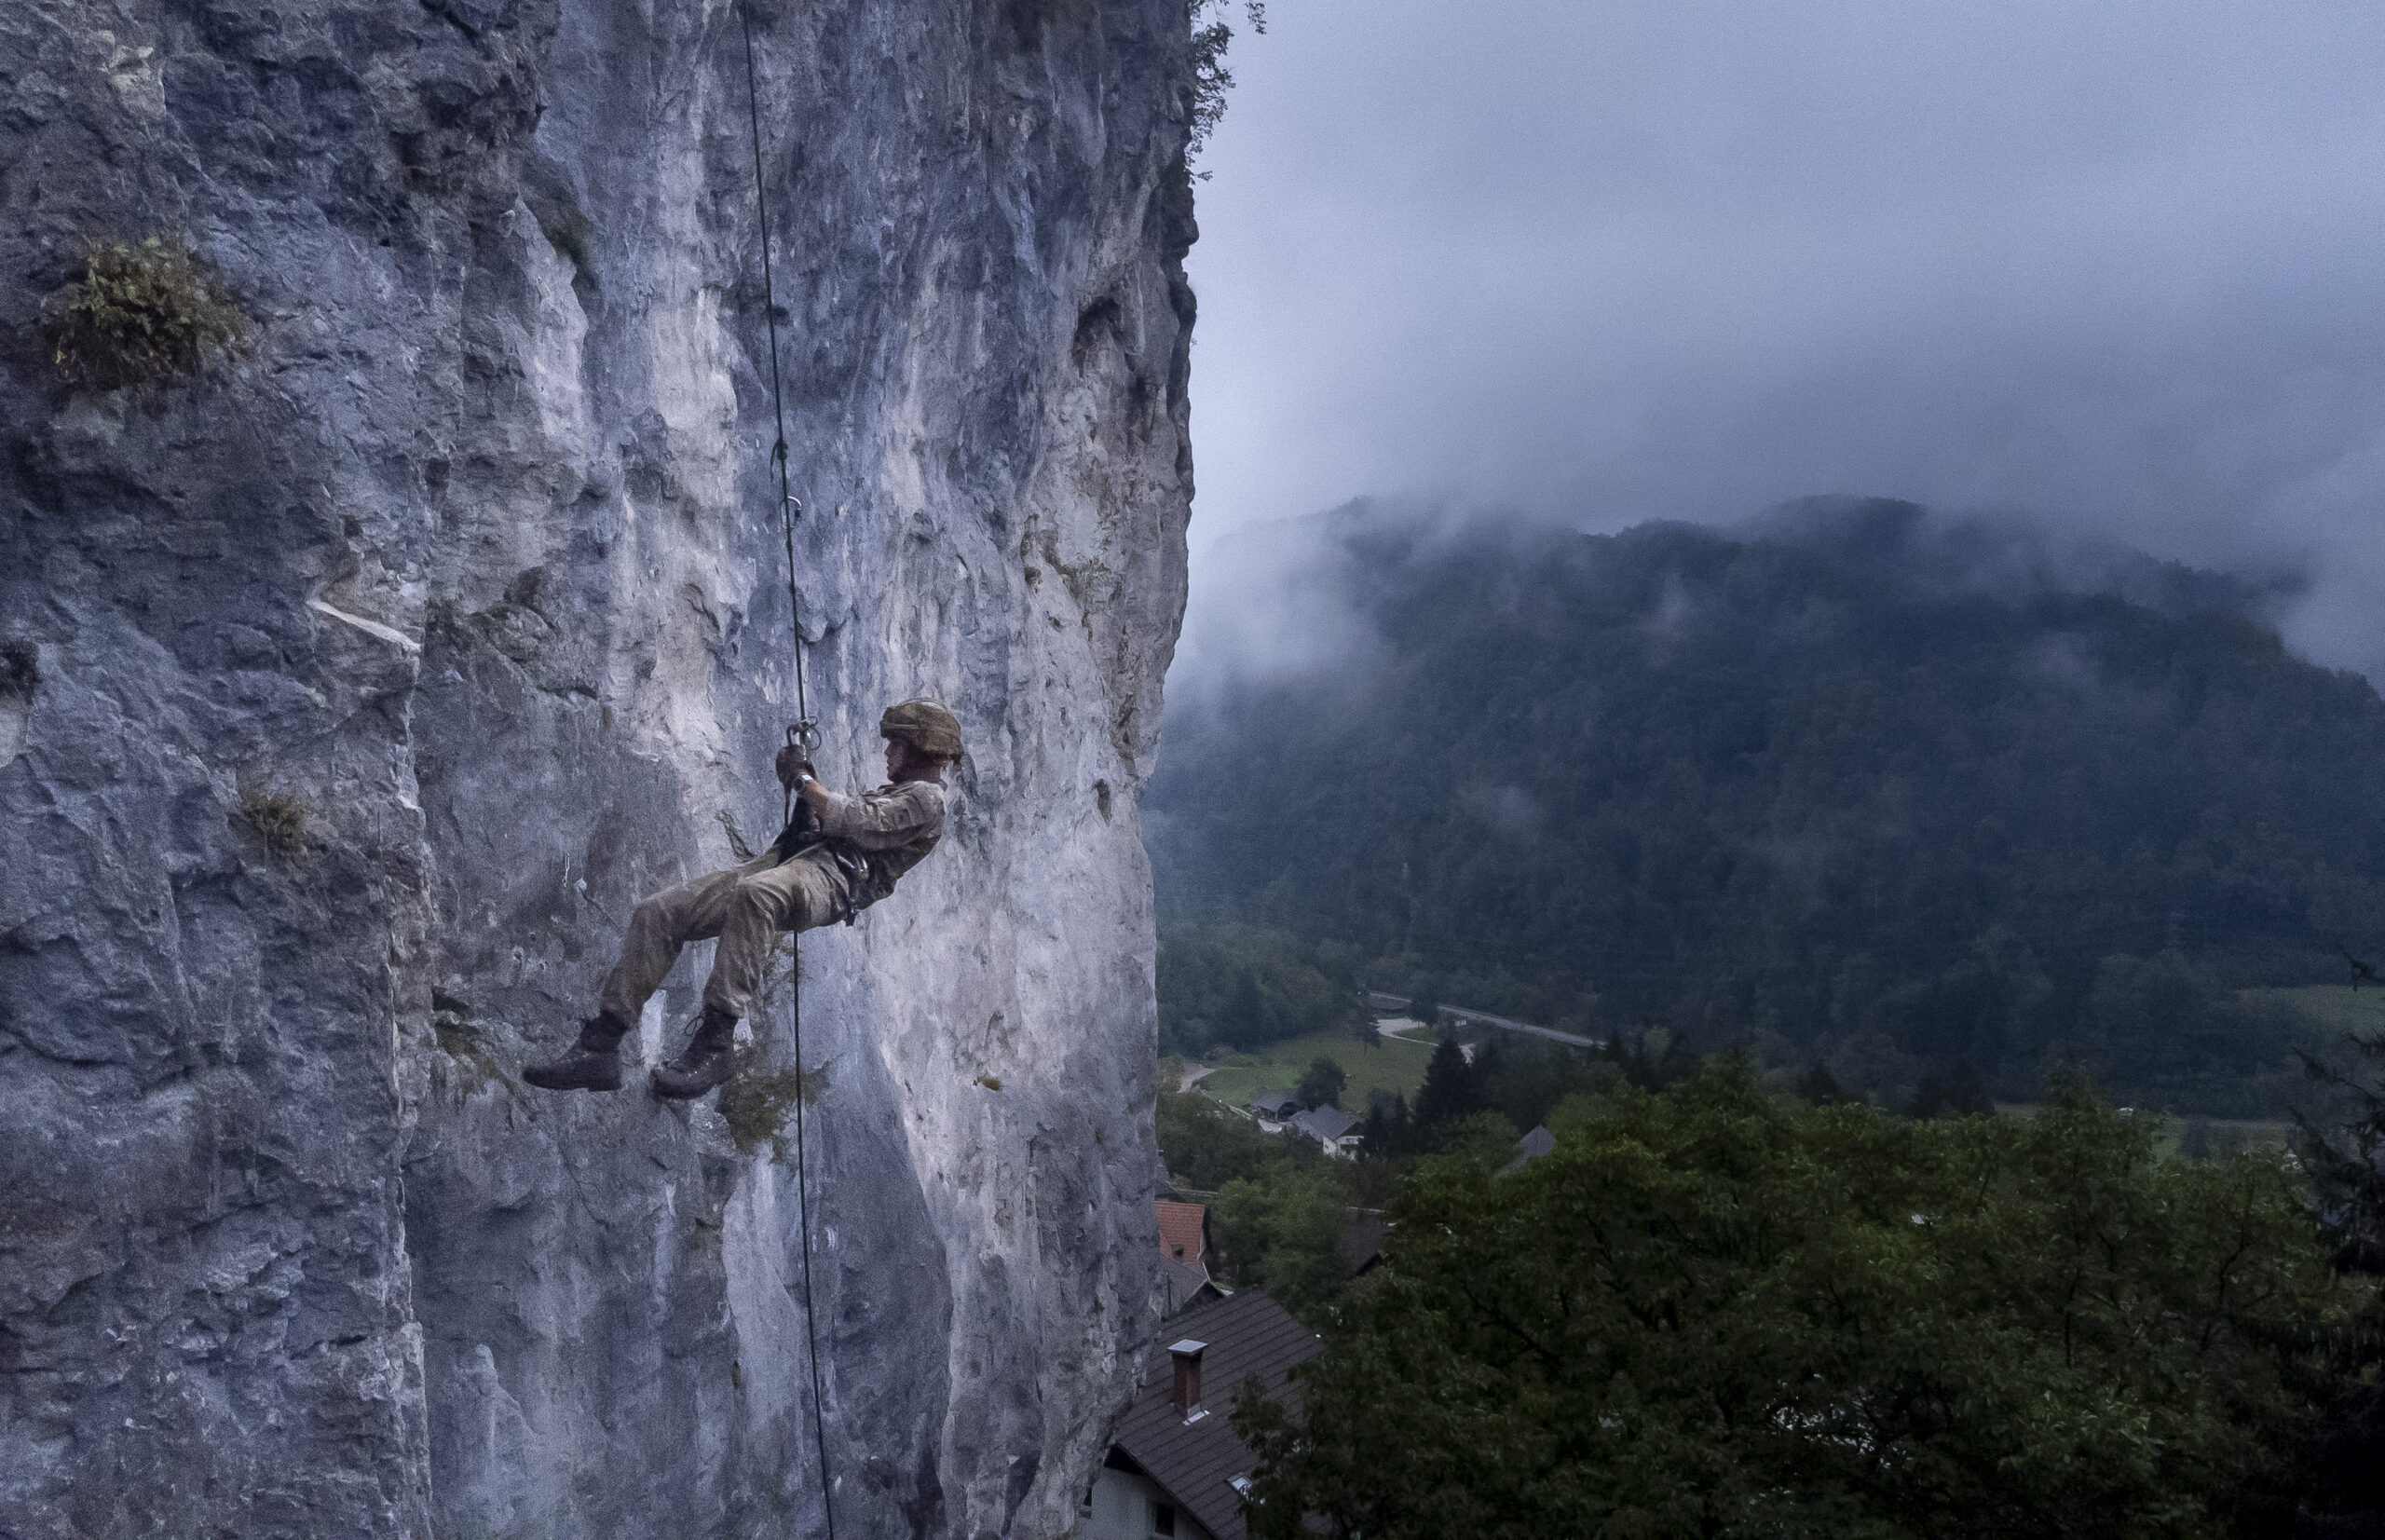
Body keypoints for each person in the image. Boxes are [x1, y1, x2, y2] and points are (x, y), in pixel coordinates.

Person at [525, 698, 961, 1099]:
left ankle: (716, 1043)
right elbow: (842, 820)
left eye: (896, 744)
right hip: (793, 862)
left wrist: (805, 782)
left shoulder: (928, 801)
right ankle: (601, 1042)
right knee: (659, 911)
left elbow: (860, 821)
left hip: (832, 881)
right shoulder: (898, 794)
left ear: (919, 749)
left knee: (759, 894)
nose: (888, 753)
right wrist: (807, 799)